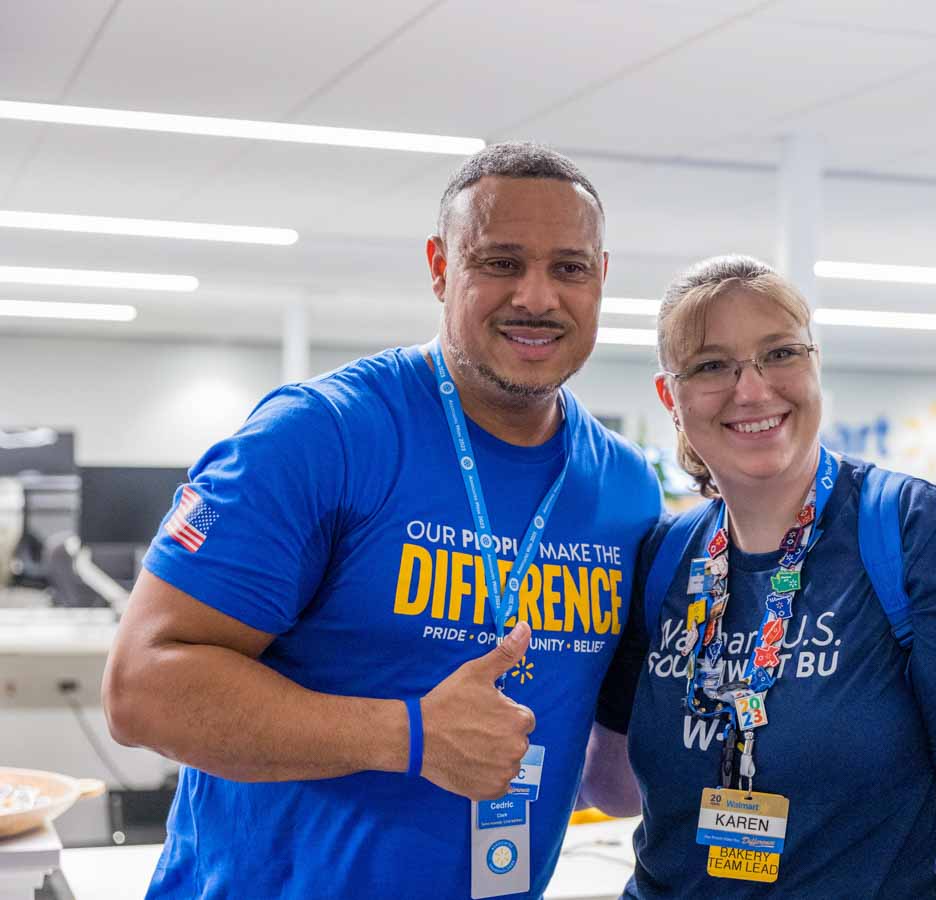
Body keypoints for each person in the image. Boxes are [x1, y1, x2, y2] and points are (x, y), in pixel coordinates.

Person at [102, 143, 662, 899]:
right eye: (499, 262)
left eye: (570, 267)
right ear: (440, 266)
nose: (537, 297)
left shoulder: (625, 491)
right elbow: (141, 688)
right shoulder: (319, 436)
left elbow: (607, 761)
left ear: (601, 277)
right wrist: (410, 736)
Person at [577, 255, 936, 897]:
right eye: (713, 365)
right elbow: (610, 789)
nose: (752, 389)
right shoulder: (665, 556)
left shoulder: (923, 535)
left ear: (814, 364)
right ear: (671, 396)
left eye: (780, 354)